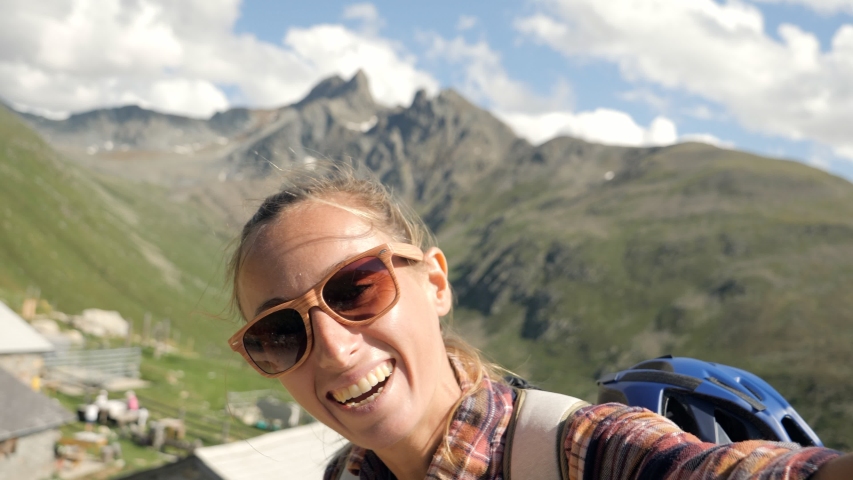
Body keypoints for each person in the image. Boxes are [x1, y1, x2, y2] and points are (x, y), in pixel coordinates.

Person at [227, 162, 852, 480]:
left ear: (435, 282)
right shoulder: (348, 473)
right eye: (281, 334)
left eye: (357, 287)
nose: (333, 349)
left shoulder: (579, 451)